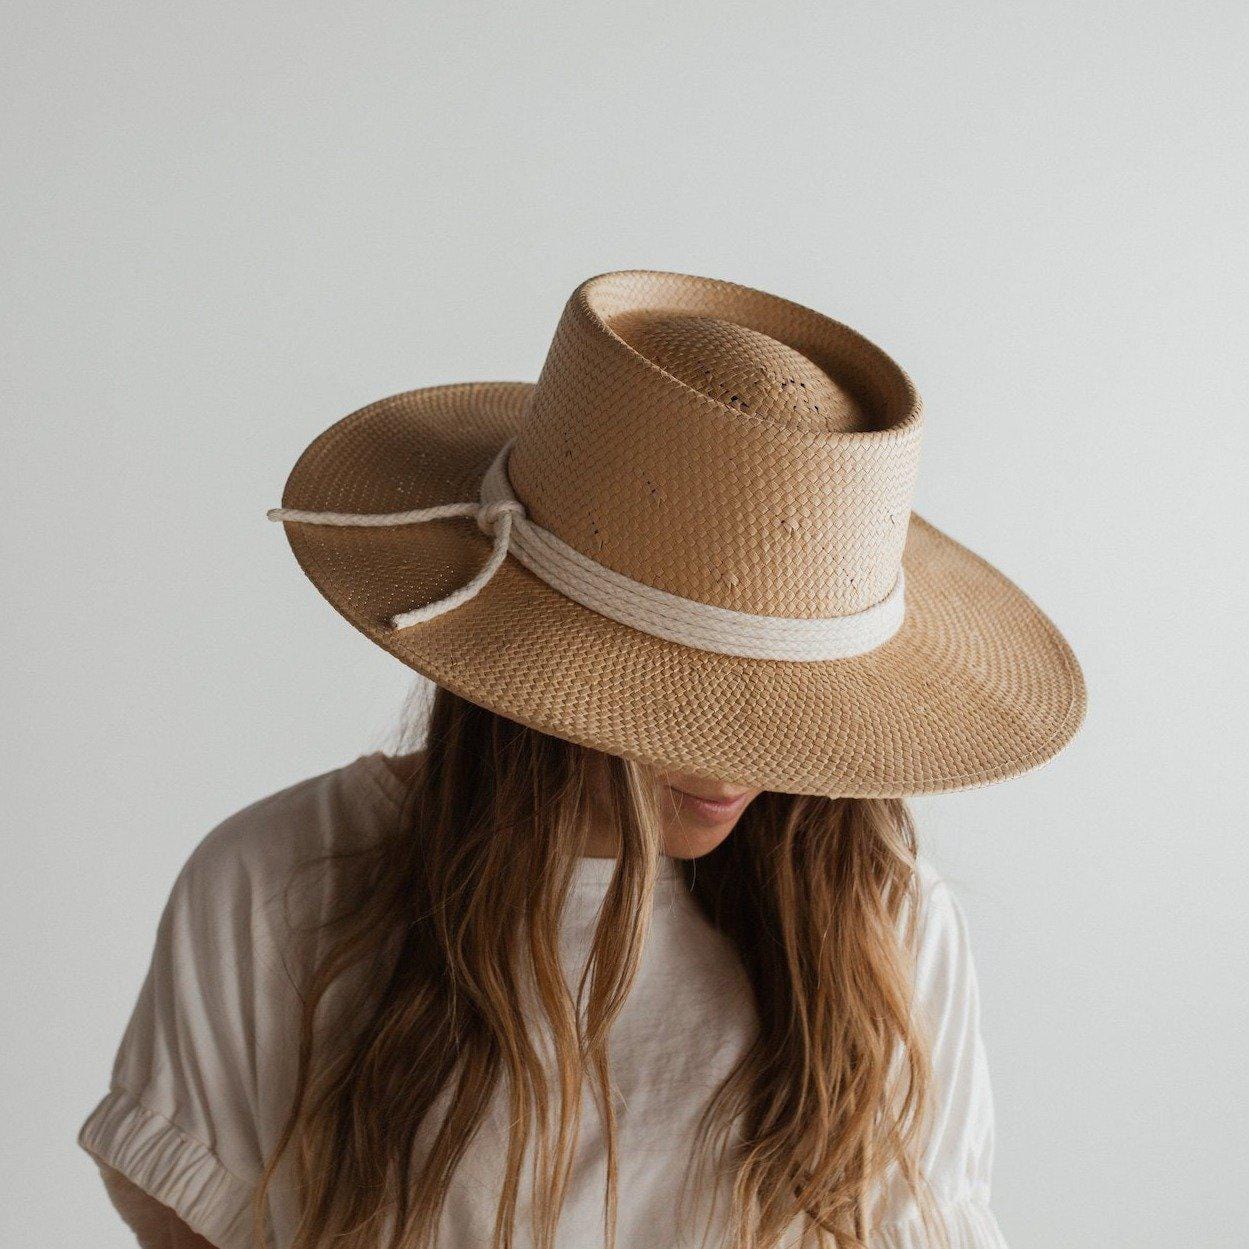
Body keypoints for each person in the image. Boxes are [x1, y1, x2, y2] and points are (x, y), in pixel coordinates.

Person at [79, 270, 1086, 1248]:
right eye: (683, 699)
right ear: (548, 665)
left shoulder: (879, 915)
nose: (736, 763)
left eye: (782, 708)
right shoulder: (281, 883)